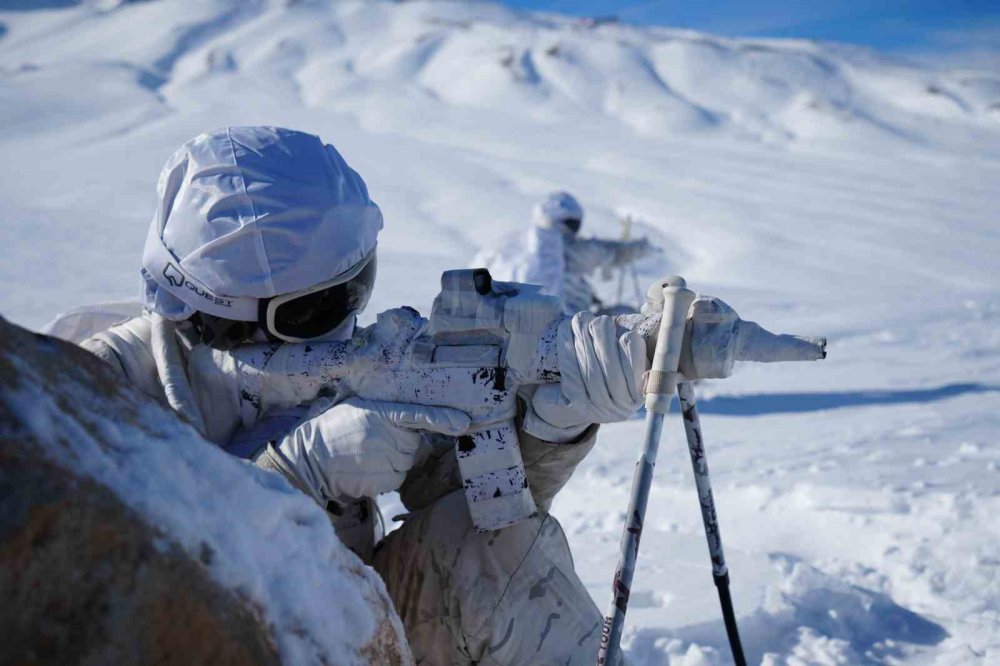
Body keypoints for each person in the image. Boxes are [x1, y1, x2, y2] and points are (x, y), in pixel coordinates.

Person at [79, 126, 651, 665]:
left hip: (348, 623)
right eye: (316, 308)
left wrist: (547, 428)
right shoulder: (93, 396)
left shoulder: (328, 362)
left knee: (488, 549)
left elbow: (475, 508)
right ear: (216, 317)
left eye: (358, 286)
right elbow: (110, 603)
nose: (347, 322)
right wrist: (295, 476)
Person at [475, 191, 656, 315]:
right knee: (625, 314)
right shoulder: (563, 248)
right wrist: (640, 248)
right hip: (567, 326)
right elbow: (603, 252)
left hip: (504, 324)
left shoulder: (504, 246)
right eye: (571, 223)